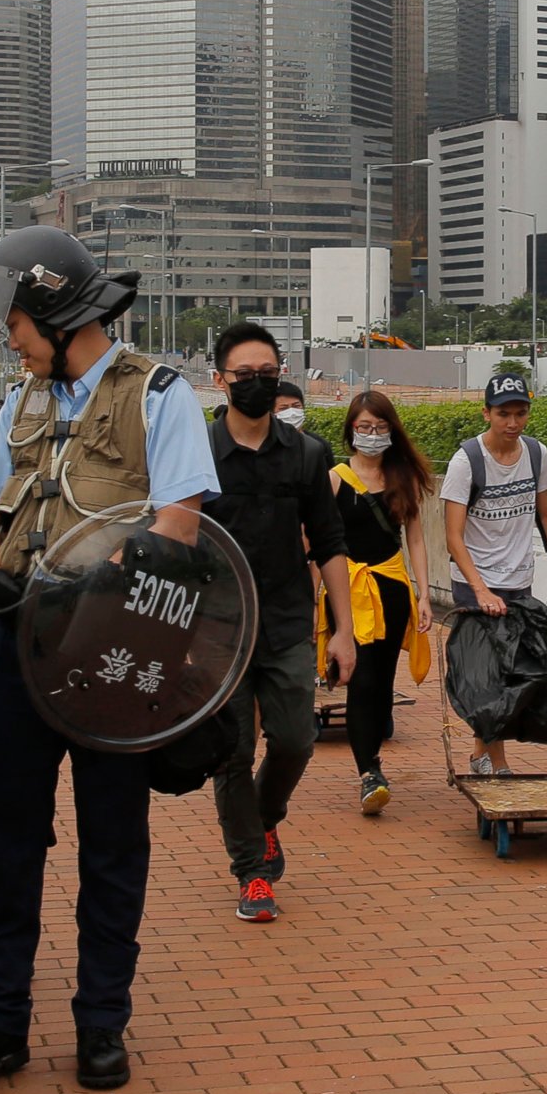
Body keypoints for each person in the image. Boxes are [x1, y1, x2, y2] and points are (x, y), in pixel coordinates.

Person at [0, 227, 216, 1094]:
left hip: (114, 651)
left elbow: (177, 527)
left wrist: (80, 601)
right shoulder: (24, 399)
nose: (6, 338)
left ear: (52, 312)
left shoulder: (161, 395)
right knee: (4, 836)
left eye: (14, 320)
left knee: (112, 842)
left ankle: (101, 1025)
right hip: (17, 646)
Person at [202, 323, 350, 924]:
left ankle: (263, 819)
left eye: (268, 374)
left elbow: (331, 542)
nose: (258, 385)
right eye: (245, 376)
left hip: (288, 617)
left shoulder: (308, 455)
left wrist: (343, 629)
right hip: (216, 629)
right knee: (231, 753)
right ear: (220, 381)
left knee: (295, 737)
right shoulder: (196, 452)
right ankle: (252, 872)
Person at [440, 371, 547, 774]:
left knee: (515, 672)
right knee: (488, 677)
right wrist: (481, 591)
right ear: (486, 413)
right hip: (476, 583)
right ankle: (497, 763)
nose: (512, 423)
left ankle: (481, 753)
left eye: (520, 413)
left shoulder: (536, 454)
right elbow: (453, 536)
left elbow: (546, 516)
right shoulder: (467, 461)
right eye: (503, 414)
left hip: (518, 581)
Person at [328, 389, 434, 816]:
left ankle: (373, 756)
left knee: (384, 681)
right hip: (349, 593)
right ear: (351, 431)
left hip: (390, 588)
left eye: (380, 427)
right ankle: (368, 771)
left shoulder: (402, 478)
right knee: (361, 678)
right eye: (364, 427)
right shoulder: (335, 477)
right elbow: (320, 540)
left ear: (392, 430)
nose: (372, 435)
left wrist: (424, 593)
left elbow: (416, 538)